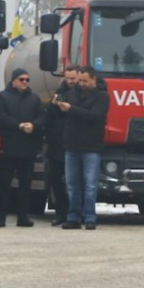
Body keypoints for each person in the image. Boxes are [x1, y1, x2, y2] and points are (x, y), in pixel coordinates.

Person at [0, 68, 44, 226]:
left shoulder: (34, 99)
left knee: (25, 184)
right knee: (5, 184)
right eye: (22, 79)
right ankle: (1, 217)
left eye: (27, 80)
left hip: (27, 148)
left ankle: (23, 217)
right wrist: (18, 125)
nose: (25, 82)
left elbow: (42, 118)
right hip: (8, 148)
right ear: (13, 81)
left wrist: (33, 125)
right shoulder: (2, 96)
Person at [57, 65, 110, 231]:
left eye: (85, 81)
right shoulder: (71, 94)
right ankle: (73, 216)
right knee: (72, 184)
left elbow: (94, 116)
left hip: (91, 146)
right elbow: (63, 116)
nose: (81, 84)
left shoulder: (102, 96)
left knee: (90, 185)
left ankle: (90, 217)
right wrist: (57, 106)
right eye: (80, 81)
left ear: (93, 79)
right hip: (72, 145)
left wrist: (71, 109)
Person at [44, 64, 80, 221]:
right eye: (68, 78)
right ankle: (61, 212)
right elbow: (51, 118)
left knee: (75, 182)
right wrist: (53, 106)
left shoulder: (83, 93)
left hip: (75, 143)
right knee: (56, 180)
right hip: (57, 144)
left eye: (73, 78)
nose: (70, 81)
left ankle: (76, 213)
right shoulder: (60, 92)